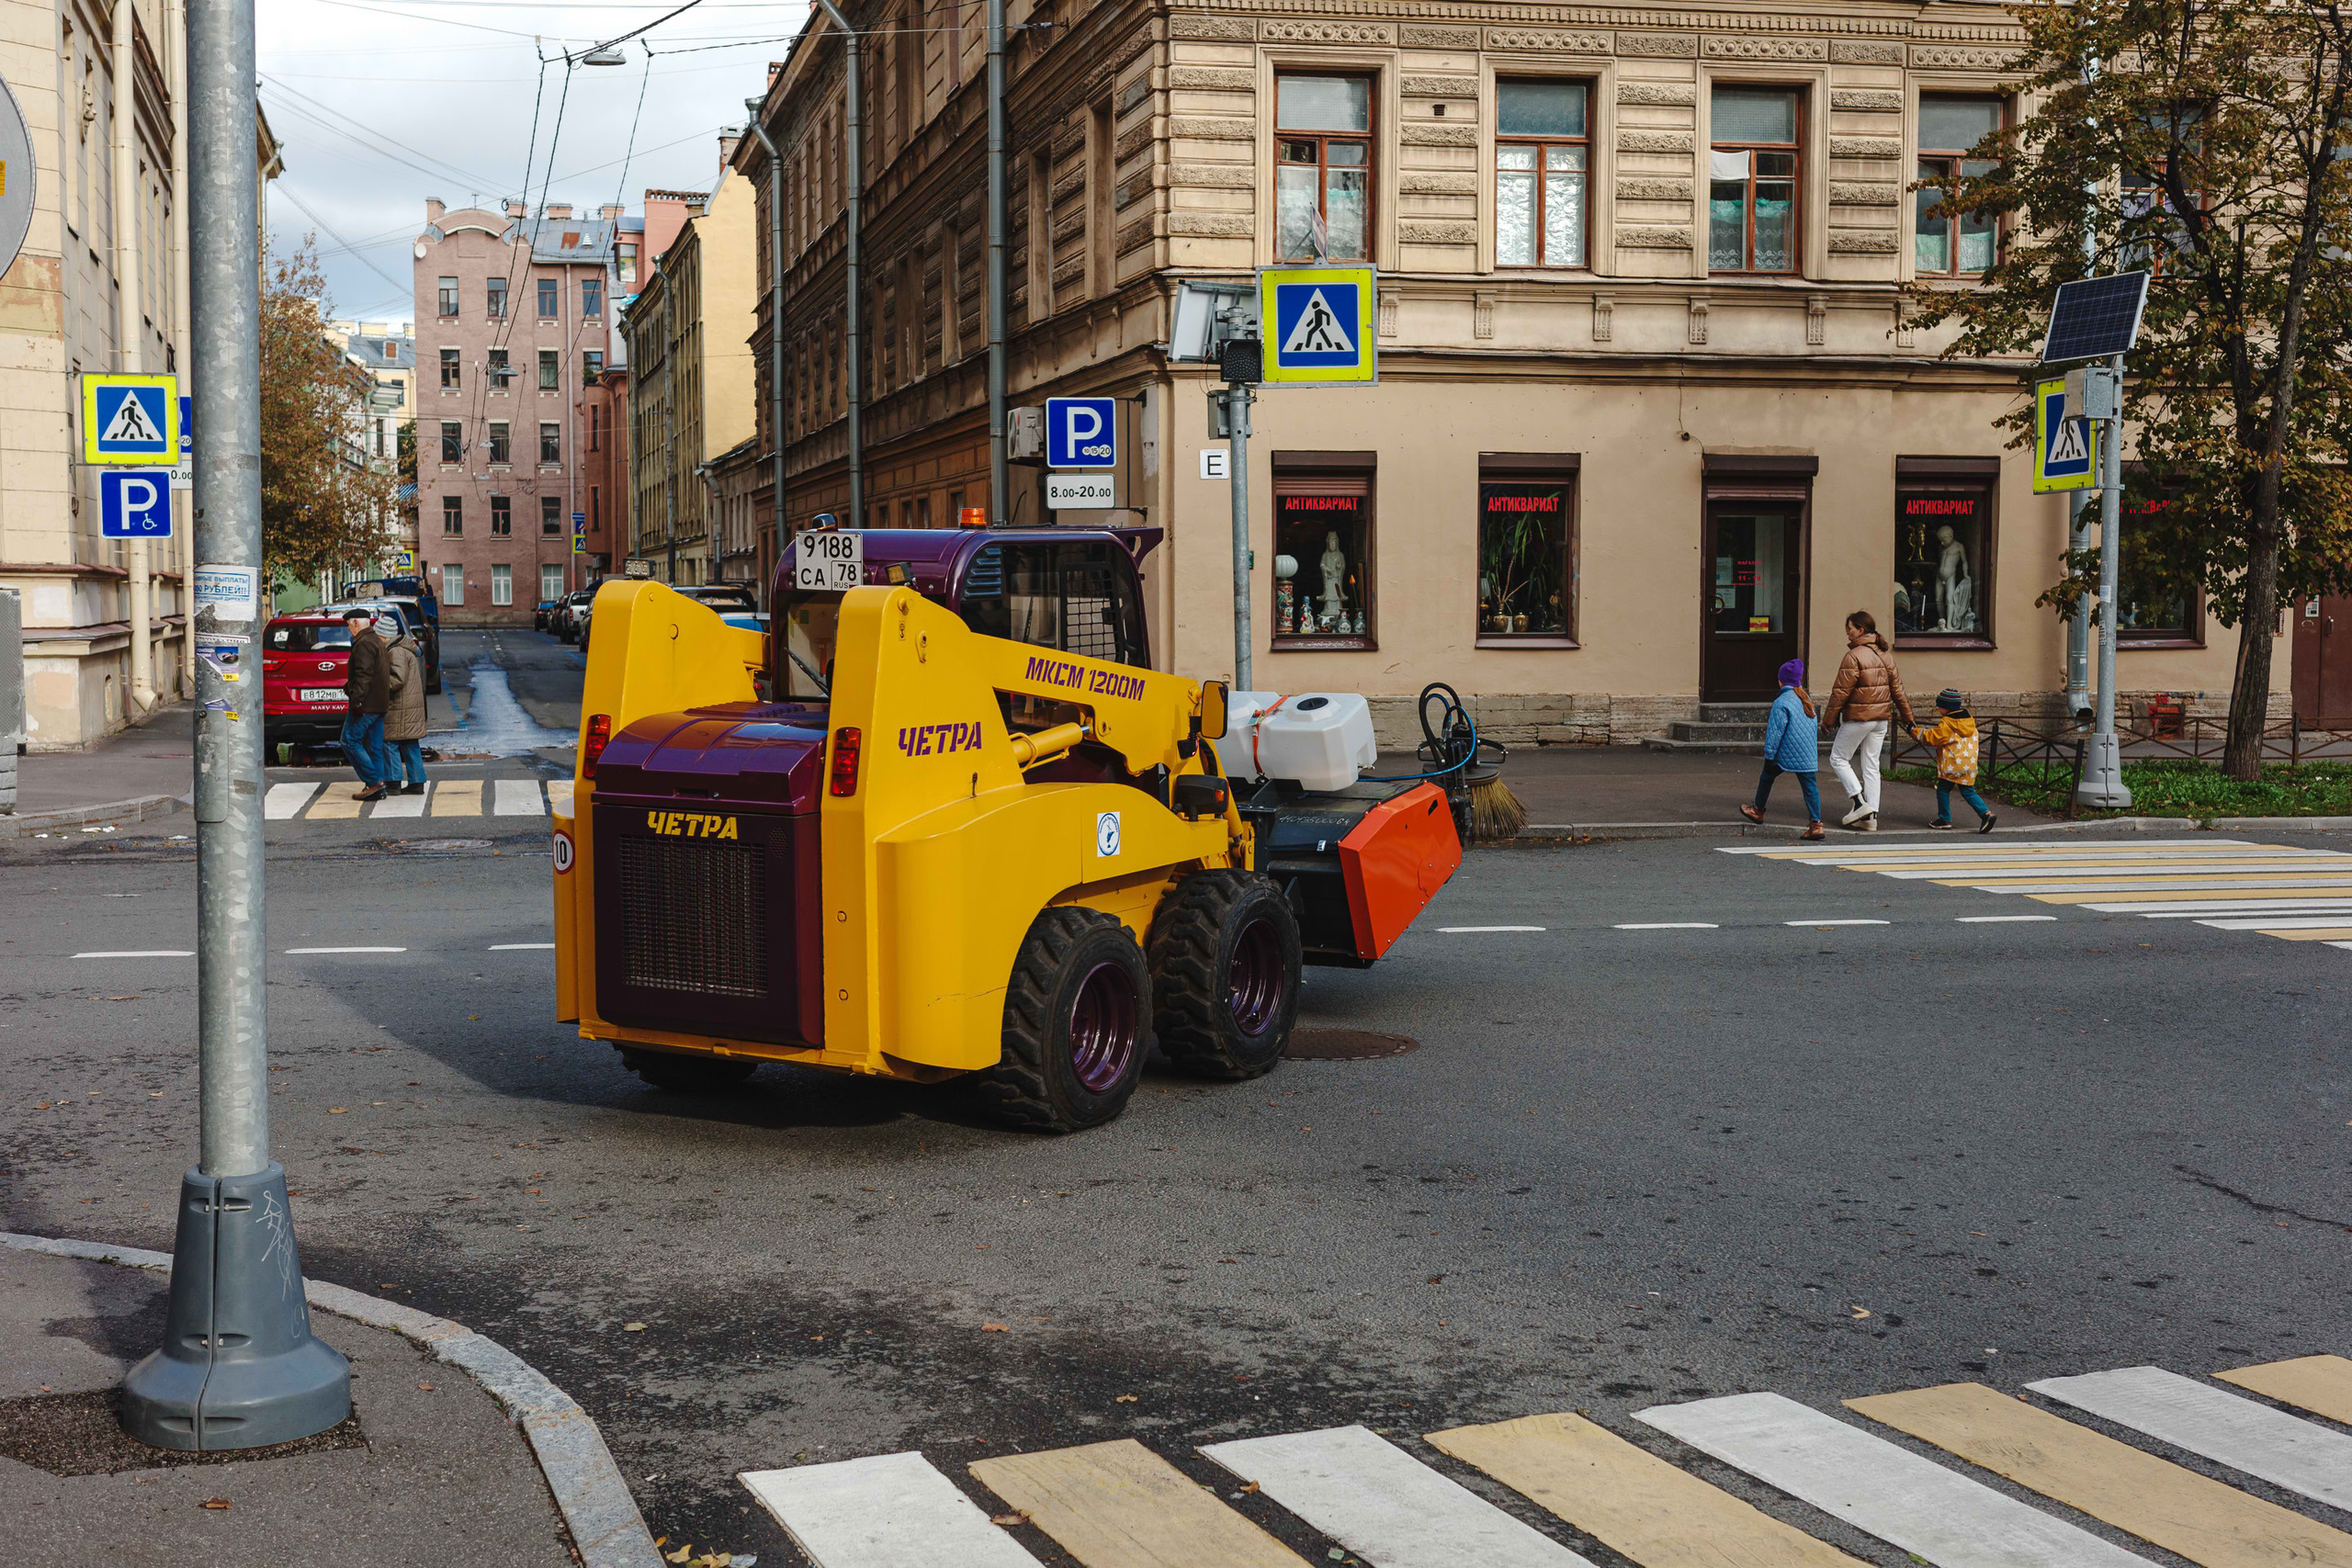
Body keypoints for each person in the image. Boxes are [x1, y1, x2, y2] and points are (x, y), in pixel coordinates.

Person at [1820, 609, 1914, 831]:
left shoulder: (1853, 656)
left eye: (1849, 629)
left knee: (1838, 758)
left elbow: (1840, 692)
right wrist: (1909, 719)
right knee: (1872, 766)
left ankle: (1859, 803)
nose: (1847, 634)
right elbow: (1898, 691)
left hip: (1859, 718)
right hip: (1881, 720)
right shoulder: (1886, 655)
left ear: (1861, 630)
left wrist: (1828, 720)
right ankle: (1870, 819)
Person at [1740, 659, 1826, 840]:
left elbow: (1776, 732)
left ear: (1781, 681)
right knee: (1810, 788)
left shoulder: (1781, 702)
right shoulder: (1805, 699)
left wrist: (1769, 754)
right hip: (1807, 754)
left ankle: (1758, 810)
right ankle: (1816, 825)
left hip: (1786, 752)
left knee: (1767, 776)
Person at [1913, 688, 1997, 833]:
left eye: (1939, 706)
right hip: (1969, 765)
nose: (1937, 708)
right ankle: (1986, 814)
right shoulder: (1969, 721)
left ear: (1946, 708)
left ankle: (1944, 819)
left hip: (1952, 766)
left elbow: (1931, 737)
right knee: (1968, 792)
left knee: (1943, 789)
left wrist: (1913, 730)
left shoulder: (1947, 723)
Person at [341, 608, 391, 803]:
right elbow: (375, 673)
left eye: (348, 626)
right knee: (375, 747)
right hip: (379, 704)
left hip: (366, 704)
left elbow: (364, 675)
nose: (348, 631)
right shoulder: (376, 641)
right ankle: (378, 787)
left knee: (349, 740)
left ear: (355, 623)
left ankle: (374, 782)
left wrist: (356, 701)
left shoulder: (362, 644)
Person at [383, 623, 430, 796]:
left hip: (399, 705)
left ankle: (393, 783)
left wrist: (379, 684)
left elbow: (397, 680)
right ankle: (417, 783)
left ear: (385, 636)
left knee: (389, 742)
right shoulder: (404, 649)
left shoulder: (395, 651)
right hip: (410, 705)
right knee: (410, 743)